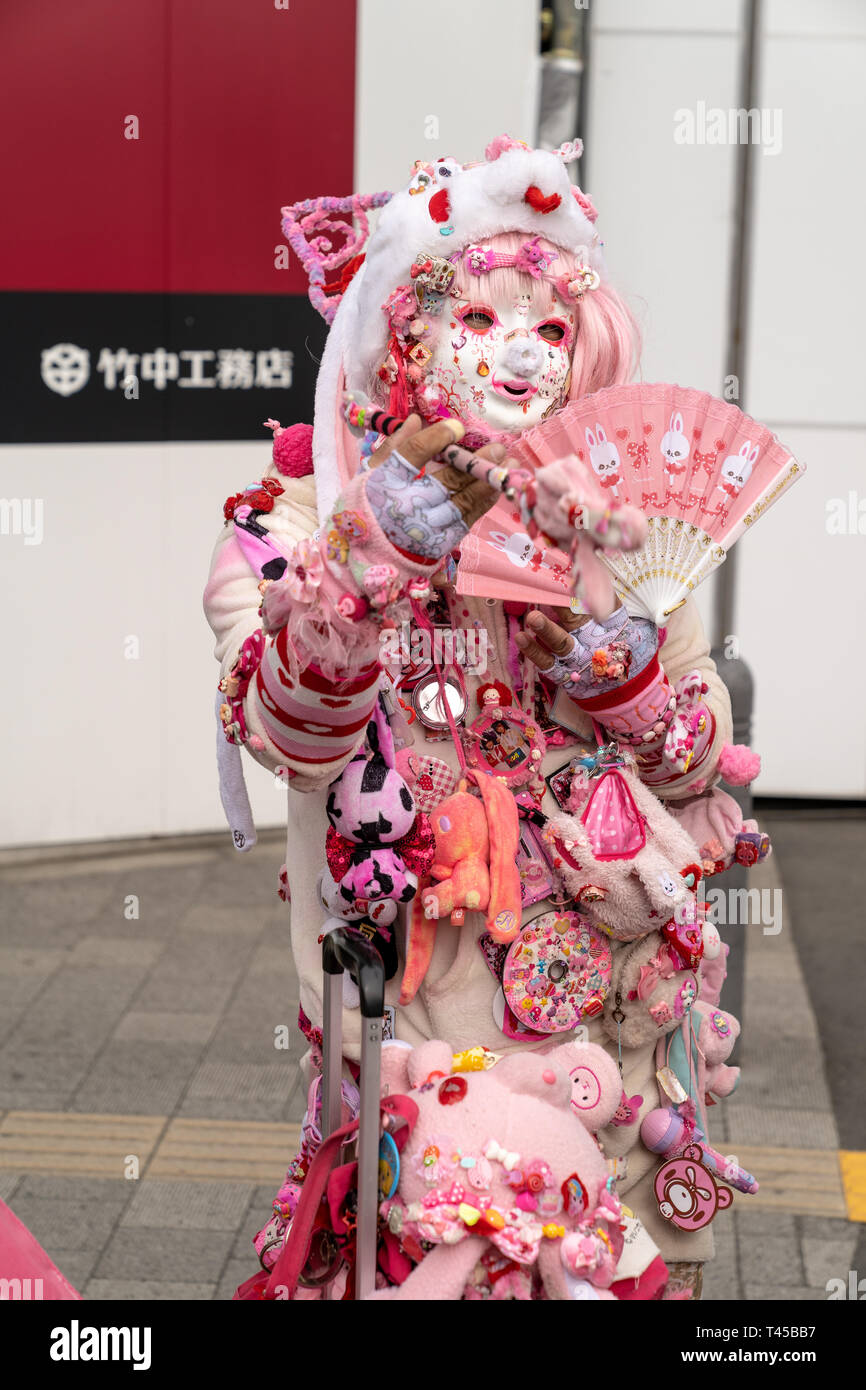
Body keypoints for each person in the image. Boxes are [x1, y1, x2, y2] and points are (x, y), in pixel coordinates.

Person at [203, 135, 739, 1298]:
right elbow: (286, 732)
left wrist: (622, 680)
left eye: (549, 330)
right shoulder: (306, 515)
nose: (516, 356)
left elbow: (699, 756)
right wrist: (372, 548)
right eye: (478, 317)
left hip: (621, 1002)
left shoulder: (615, 527)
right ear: (403, 332)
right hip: (429, 1021)